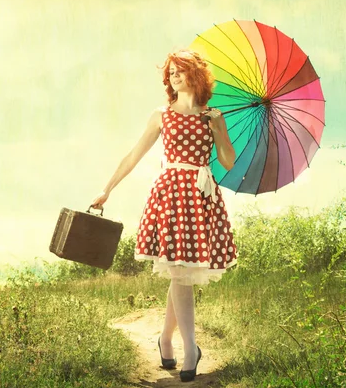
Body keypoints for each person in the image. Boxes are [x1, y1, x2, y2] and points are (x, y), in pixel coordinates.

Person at [91, 49, 237, 382]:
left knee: (180, 272)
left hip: (200, 197)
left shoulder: (212, 116)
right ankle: (190, 348)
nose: (173, 77)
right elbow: (133, 155)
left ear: (195, 75)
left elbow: (227, 162)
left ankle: (167, 340)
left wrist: (218, 129)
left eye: (180, 71)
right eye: (170, 72)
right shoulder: (161, 115)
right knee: (179, 271)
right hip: (170, 196)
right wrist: (107, 189)